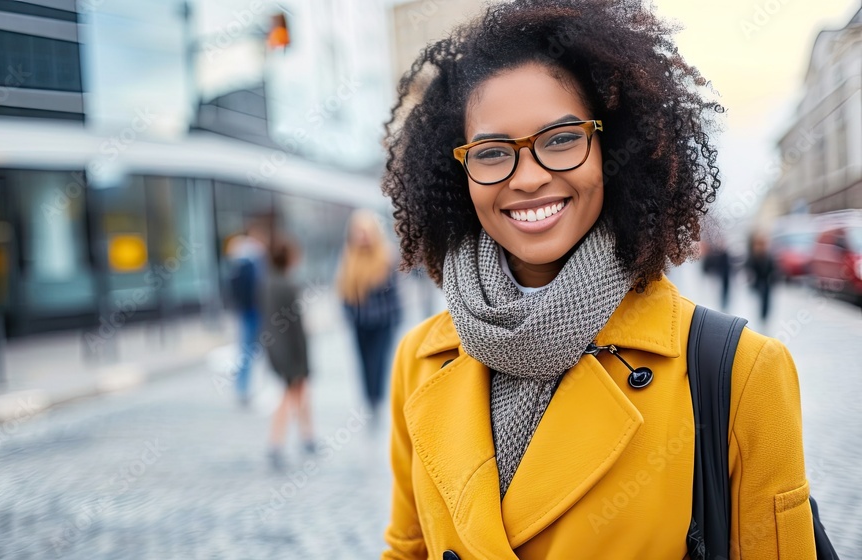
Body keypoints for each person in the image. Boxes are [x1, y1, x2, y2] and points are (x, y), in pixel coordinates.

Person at [379, 1, 817, 558]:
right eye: (492, 152)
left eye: (562, 139)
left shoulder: (739, 372)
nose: (531, 177)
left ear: (613, 148)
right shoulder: (418, 361)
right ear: (457, 172)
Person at [336, 210, 402, 420]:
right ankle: (369, 399)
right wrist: (348, 314)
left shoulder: (386, 257)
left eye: (366, 231)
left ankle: (376, 399)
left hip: (382, 322)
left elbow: (395, 294)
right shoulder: (348, 259)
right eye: (358, 232)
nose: (362, 236)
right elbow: (343, 292)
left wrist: (395, 317)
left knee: (379, 361)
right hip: (359, 322)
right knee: (363, 362)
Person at [261, 235, 315, 468]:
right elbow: (296, 327)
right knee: (290, 395)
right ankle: (277, 442)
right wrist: (303, 360)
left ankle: (308, 436)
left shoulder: (266, 283)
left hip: (276, 349)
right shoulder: (287, 285)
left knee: (299, 394)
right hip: (291, 353)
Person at [225, 226, 267, 407]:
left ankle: (243, 388)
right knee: (252, 350)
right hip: (255, 311)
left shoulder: (239, 257)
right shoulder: (255, 257)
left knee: (246, 350)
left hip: (245, 310)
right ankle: (249, 388)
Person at [747, 232, 777, 322]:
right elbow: (749, 268)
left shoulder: (768, 256)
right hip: (757, 282)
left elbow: (773, 268)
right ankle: (762, 316)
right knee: (760, 300)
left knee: (766, 300)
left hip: (766, 282)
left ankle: (764, 316)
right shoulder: (753, 256)